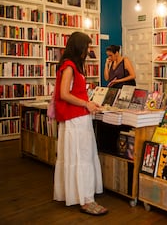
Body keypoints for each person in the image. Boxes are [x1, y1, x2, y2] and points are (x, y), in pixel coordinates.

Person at [53, 31, 108, 216]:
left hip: (77, 117)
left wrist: (90, 103)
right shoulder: (69, 66)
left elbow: (72, 93)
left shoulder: (72, 65)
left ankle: (80, 195)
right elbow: (64, 94)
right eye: (87, 47)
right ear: (79, 47)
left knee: (79, 156)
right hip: (75, 119)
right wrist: (86, 103)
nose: (88, 51)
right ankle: (85, 200)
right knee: (81, 157)